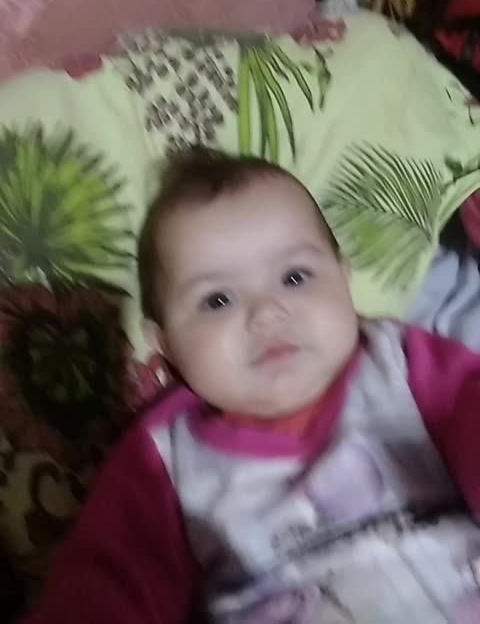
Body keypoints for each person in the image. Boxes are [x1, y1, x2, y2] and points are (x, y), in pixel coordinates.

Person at [23, 147, 480, 624]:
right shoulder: (163, 460)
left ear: (344, 281)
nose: (266, 313)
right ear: (166, 346)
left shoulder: (403, 363)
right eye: (217, 300)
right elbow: (105, 585)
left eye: (295, 277)